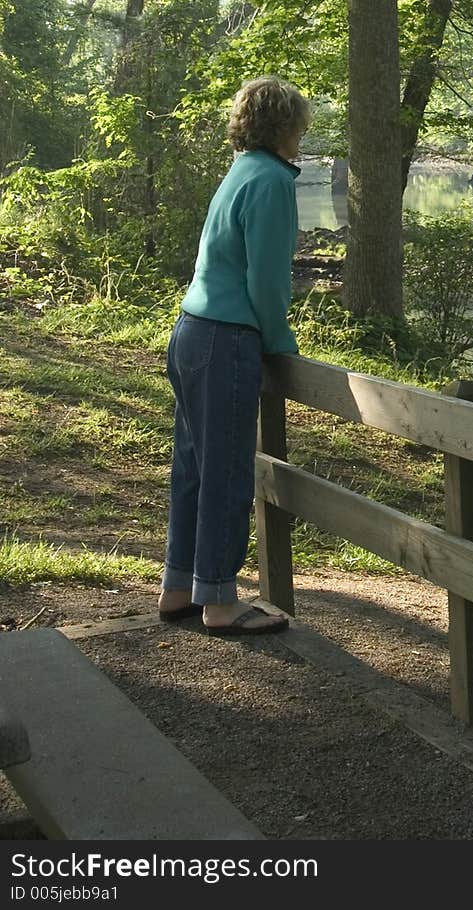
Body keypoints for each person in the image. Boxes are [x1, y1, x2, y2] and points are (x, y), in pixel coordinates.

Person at [158, 76, 310, 636]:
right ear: (286, 127)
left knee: (194, 467)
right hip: (227, 339)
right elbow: (267, 281)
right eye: (299, 126)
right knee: (226, 472)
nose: (301, 136)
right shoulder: (270, 180)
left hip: (191, 330)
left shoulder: (240, 170)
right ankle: (220, 601)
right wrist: (281, 345)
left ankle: (180, 586)